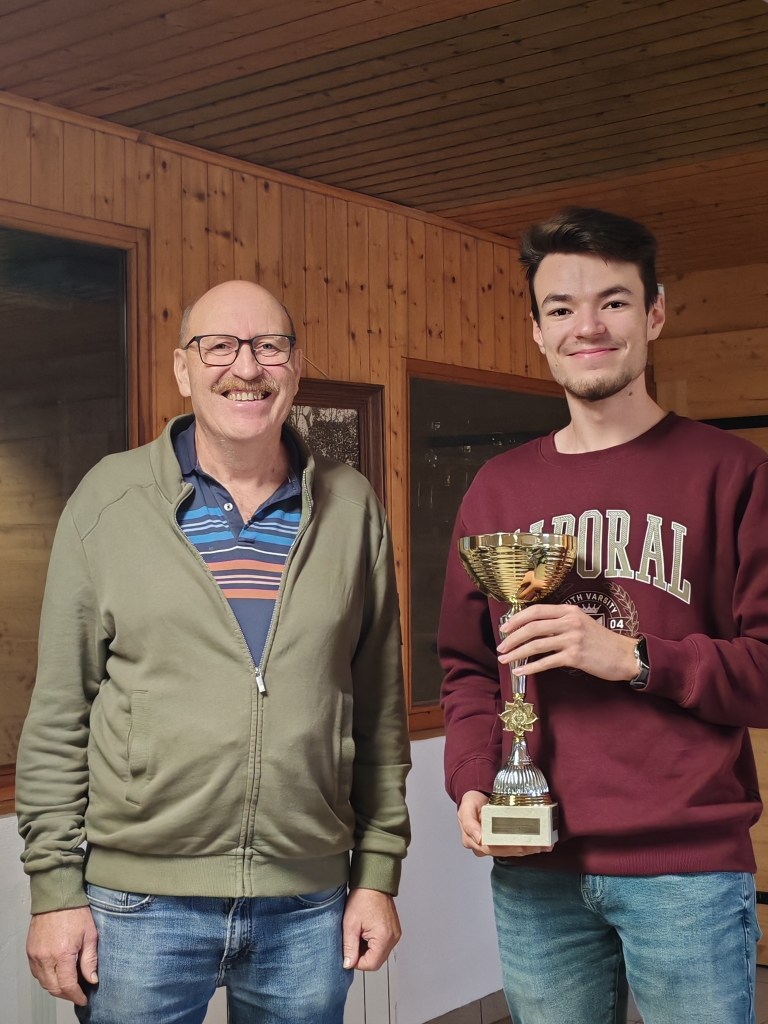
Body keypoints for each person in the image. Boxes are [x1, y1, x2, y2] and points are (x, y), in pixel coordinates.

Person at [16, 279, 411, 1024]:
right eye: (219, 346)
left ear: (296, 365)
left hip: (309, 905)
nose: (247, 367)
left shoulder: (353, 506)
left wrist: (377, 874)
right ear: (183, 368)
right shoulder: (108, 500)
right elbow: (61, 712)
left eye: (269, 346)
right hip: (138, 908)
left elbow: (379, 712)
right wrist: (55, 891)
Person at [439, 207, 768, 1024]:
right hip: (534, 866)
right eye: (561, 308)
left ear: (653, 315)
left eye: (613, 302)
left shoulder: (735, 473)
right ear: (538, 332)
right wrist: (474, 781)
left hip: (686, 869)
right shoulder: (498, 490)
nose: (587, 326)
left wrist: (634, 656)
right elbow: (469, 667)